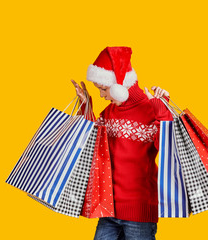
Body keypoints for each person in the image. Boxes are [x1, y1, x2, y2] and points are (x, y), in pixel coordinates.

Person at [71, 46, 173, 240]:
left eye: (103, 89)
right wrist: (86, 106)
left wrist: (161, 107)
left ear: (119, 85)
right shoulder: (109, 112)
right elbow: (93, 143)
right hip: (108, 208)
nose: (102, 95)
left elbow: (169, 149)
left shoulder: (151, 108)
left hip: (139, 212)